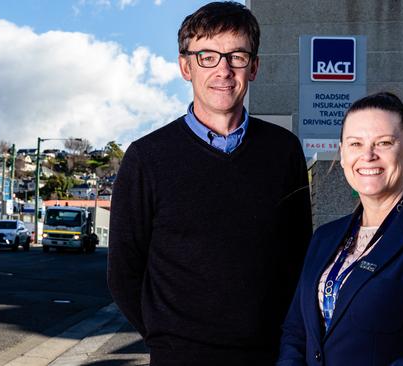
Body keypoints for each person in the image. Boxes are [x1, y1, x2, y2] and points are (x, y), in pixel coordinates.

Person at [107, 2, 312, 365]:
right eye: (208, 57)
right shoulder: (146, 158)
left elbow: (299, 256)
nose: (224, 70)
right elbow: (124, 273)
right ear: (185, 66)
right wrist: (166, 339)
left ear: (254, 67)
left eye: (237, 56)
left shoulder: (284, 152)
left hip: (268, 356)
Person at [277, 92, 403, 366]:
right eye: (355, 144)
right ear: (342, 154)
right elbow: (296, 332)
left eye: (384, 143)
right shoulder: (324, 237)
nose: (368, 155)